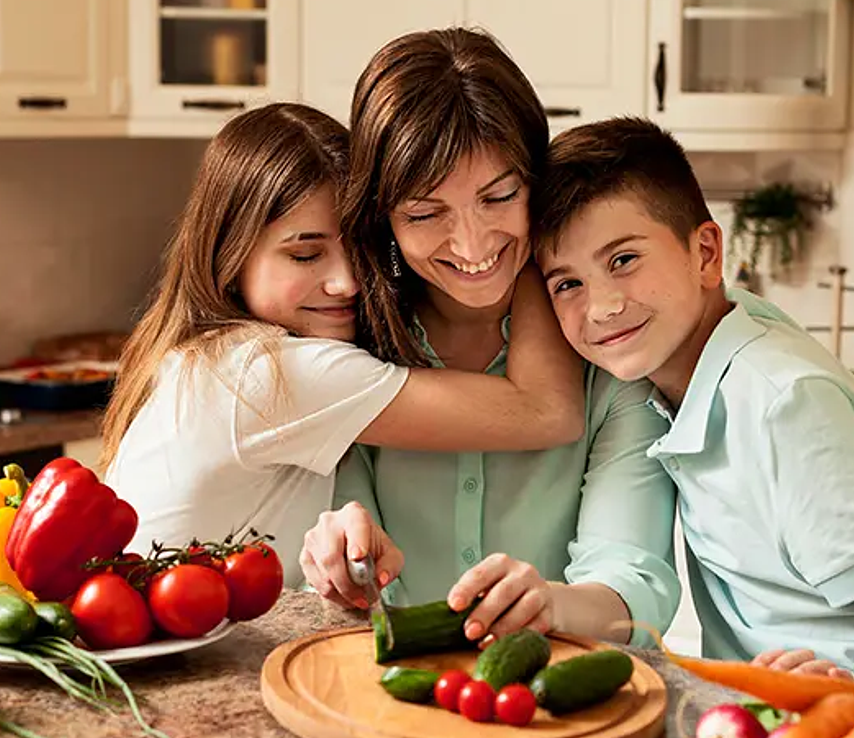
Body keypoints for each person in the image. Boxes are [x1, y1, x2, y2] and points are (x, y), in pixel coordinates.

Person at [530, 116, 854, 686]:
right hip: (767, 709)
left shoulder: (781, 403)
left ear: (706, 254)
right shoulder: (691, 364)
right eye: (567, 284)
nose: (603, 306)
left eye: (624, 260)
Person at [300, 28, 679, 646]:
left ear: (537, 182)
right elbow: (336, 530)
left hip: (556, 703)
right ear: (384, 218)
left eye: (499, 196)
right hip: (383, 696)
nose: (473, 246)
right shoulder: (349, 345)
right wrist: (333, 542)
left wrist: (553, 604)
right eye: (425, 214)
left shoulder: (608, 349)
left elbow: (637, 585)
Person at [101, 102, 585, 587]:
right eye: (306, 254)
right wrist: (517, 251)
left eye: (357, 248)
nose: (347, 281)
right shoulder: (267, 373)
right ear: (230, 254)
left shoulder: (202, 356)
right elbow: (545, 411)